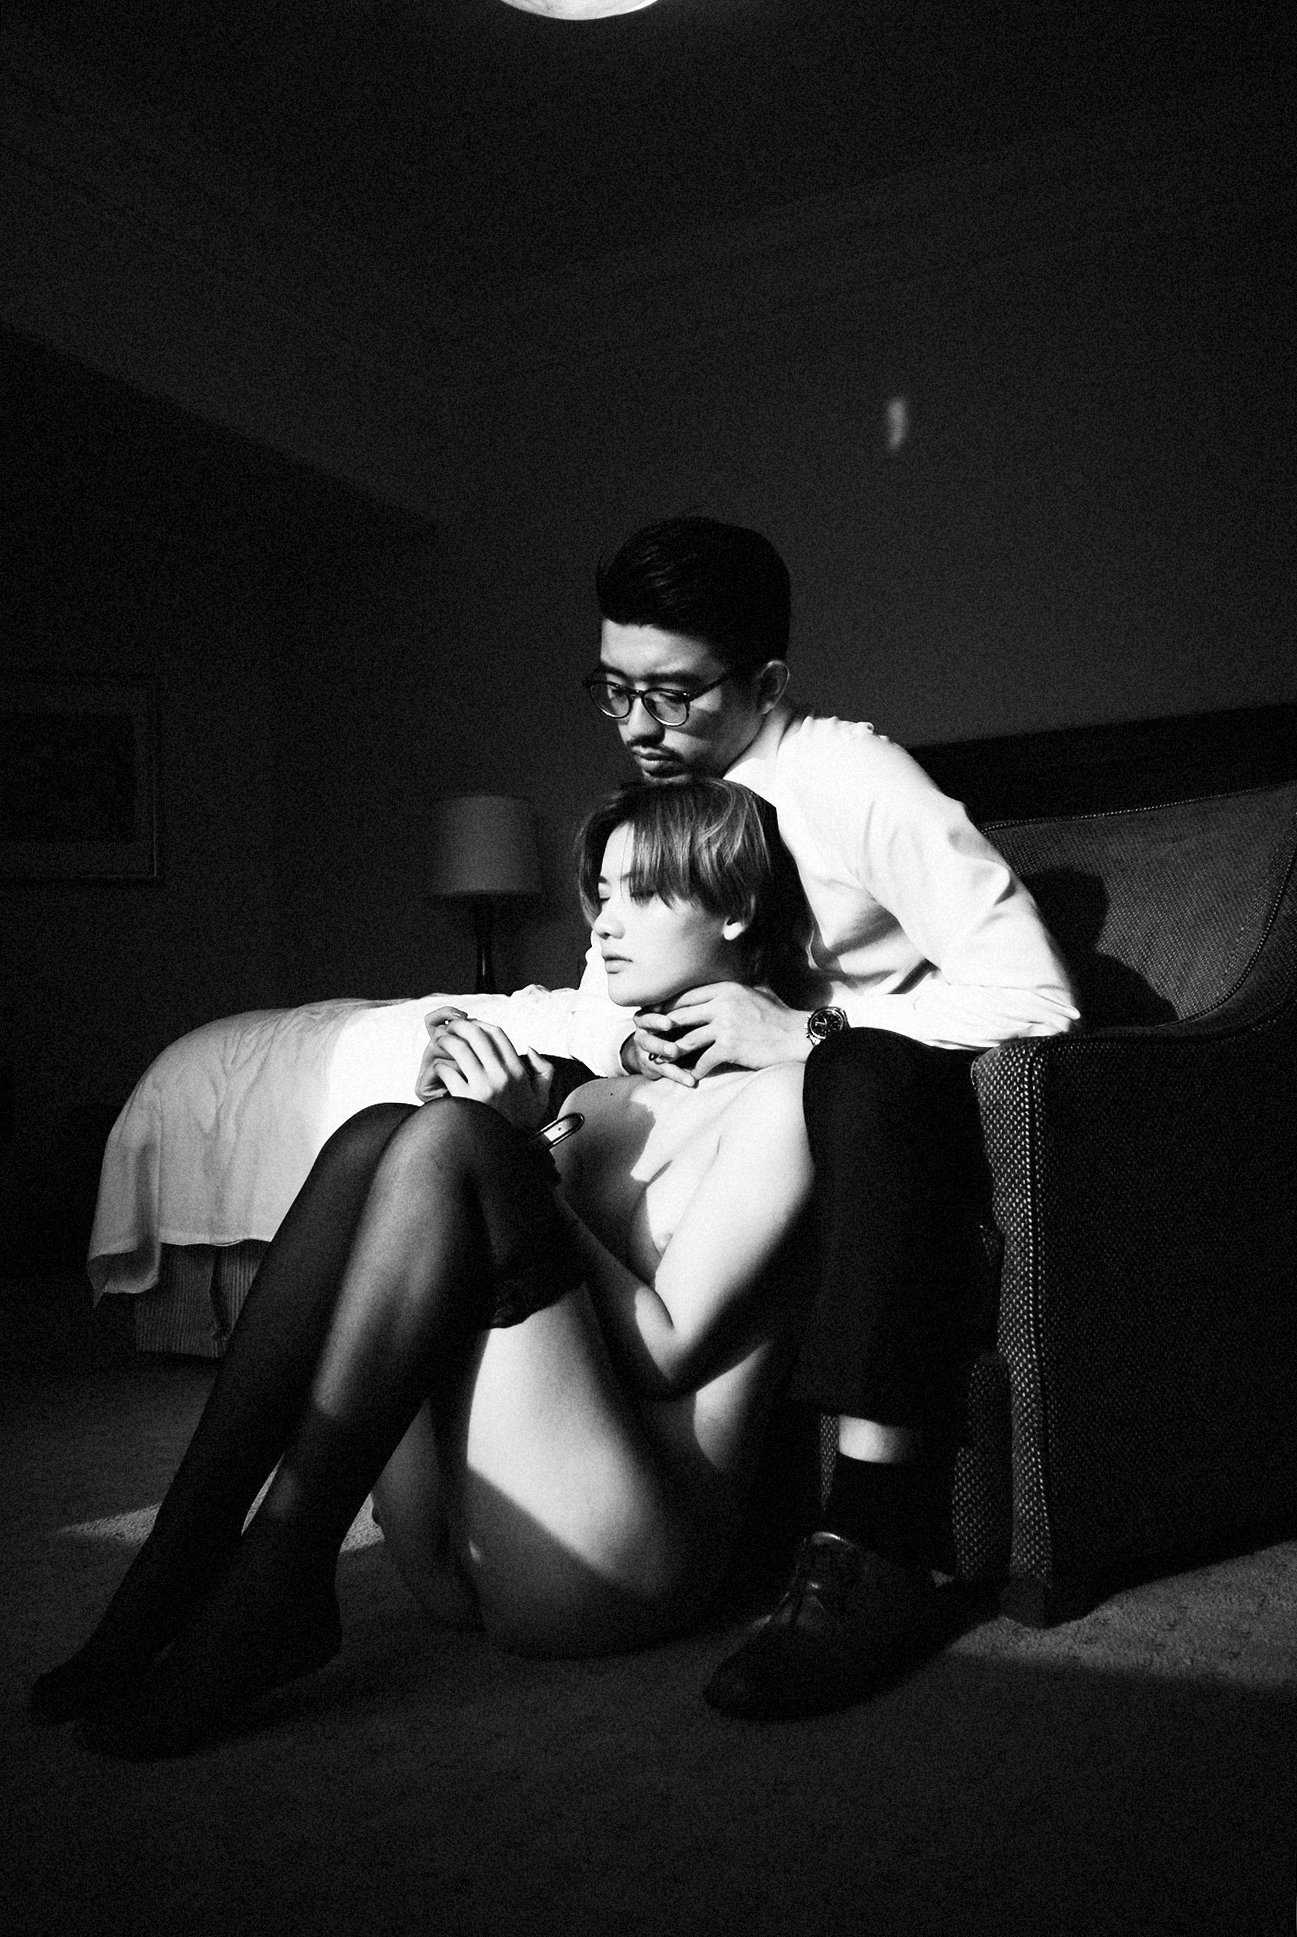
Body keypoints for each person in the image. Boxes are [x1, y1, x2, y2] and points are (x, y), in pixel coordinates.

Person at [423, 514, 1080, 1720]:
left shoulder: (847, 774)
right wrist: (624, 1040)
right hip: (744, 1129)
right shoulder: (667, 812)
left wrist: (805, 1028)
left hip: (883, 1128)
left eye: (672, 695)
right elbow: (595, 1001)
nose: (636, 725)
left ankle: (874, 1538)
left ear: (767, 684)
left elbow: (1040, 995)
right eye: (613, 688)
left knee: (862, 1071)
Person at [30, 779, 815, 1759]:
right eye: (602, 892)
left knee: (458, 1141)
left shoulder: (785, 1101)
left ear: (737, 908)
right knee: (381, 1134)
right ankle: (184, 1562)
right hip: (465, 1547)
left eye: (641, 894)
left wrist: (516, 1159)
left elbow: (665, 1354)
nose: (604, 922)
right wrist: (483, 1142)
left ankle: (274, 1575)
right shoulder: (603, 1093)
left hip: (620, 1557)